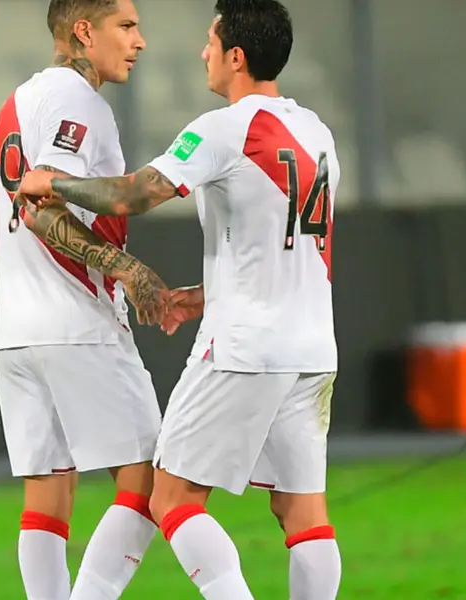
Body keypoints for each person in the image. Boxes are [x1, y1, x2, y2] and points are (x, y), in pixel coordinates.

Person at [17, 1, 341, 597]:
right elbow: (293, 247)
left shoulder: (223, 129)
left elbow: (135, 194)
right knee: (304, 513)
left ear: (236, 56)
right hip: (313, 344)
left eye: (211, 42)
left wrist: (52, 180)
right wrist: (206, 293)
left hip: (246, 346)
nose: (204, 53)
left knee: (171, 495)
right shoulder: (317, 133)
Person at [0, 1, 169, 597]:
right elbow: (41, 204)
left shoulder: (13, 105)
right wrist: (124, 267)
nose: (139, 42)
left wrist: (31, 279)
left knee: (48, 494)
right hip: (76, 324)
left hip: (15, 331)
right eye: (126, 27)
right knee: (152, 484)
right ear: (85, 30)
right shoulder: (76, 99)